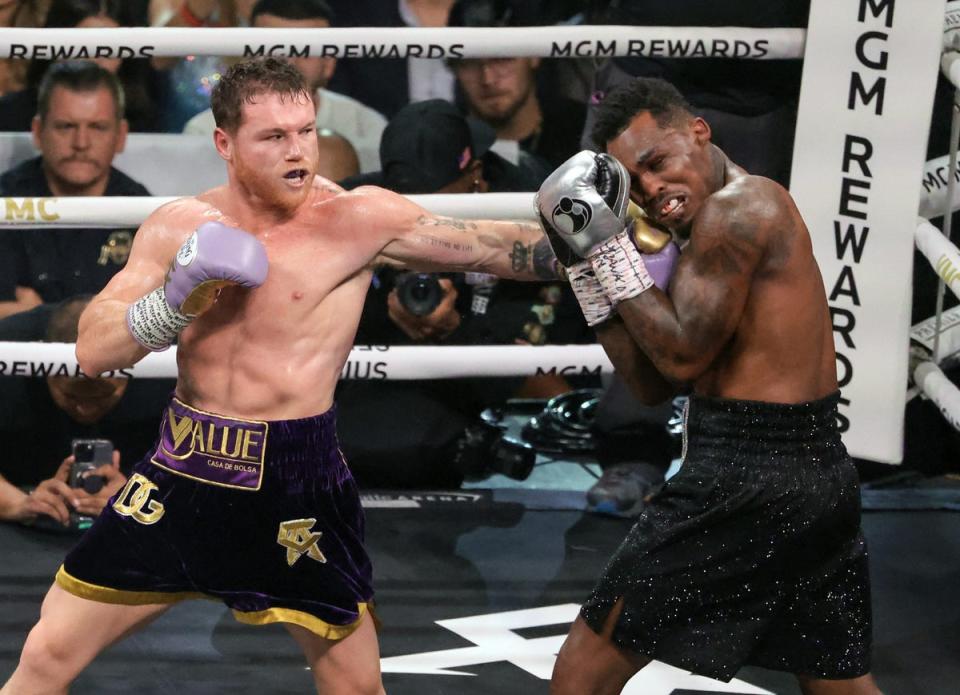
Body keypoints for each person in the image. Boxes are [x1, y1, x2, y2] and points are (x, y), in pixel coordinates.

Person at [0, 56, 558, 695]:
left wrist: (603, 238)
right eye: (273, 137)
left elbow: (500, 246)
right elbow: (95, 351)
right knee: (45, 654)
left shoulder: (359, 219)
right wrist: (174, 302)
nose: (299, 153)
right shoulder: (177, 227)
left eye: (306, 132)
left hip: (298, 475)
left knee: (353, 685)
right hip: (184, 464)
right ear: (225, 144)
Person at [536, 77, 879, 694]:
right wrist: (586, 269)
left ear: (699, 132)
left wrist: (607, 249)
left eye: (657, 164)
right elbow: (650, 384)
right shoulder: (708, 226)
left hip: (746, 477)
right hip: (812, 474)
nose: (651, 191)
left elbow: (683, 358)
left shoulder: (741, 209)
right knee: (840, 688)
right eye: (634, 184)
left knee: (580, 674)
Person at [0, 61, 148, 319]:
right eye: (66, 126)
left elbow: (152, 324)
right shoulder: (4, 202)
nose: (81, 143)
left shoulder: (142, 212)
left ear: (121, 135)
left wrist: (40, 315)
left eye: (97, 127)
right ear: (38, 132)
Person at [182, 0, 389, 173]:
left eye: (305, 51)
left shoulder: (367, 127)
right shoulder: (205, 131)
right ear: (249, 57)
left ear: (329, 63)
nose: (290, 63)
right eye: (277, 50)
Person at [0, 297, 144, 527]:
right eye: (71, 396)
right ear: (48, 374)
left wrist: (145, 498)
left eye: (101, 396)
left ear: (128, 375)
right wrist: (16, 503)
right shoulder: (9, 349)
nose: (85, 408)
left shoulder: (174, 357)